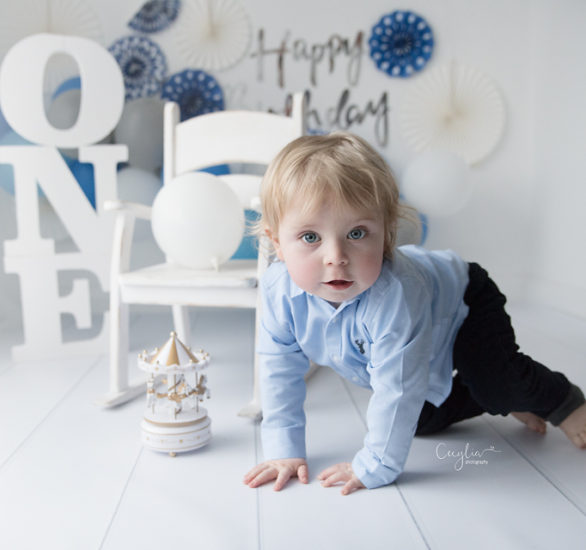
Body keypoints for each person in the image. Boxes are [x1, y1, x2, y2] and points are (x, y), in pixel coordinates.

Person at [242, 132, 586, 496]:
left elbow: (396, 388)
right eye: (310, 237)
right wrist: (283, 450)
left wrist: (375, 465)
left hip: (464, 299)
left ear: (387, 235)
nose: (336, 257)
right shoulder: (279, 292)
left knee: (497, 378)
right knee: (422, 420)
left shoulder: (393, 297)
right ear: (277, 242)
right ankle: (502, 398)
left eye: (357, 233)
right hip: (423, 322)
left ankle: (562, 401)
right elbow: (278, 368)